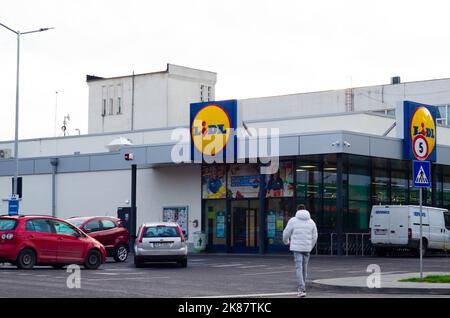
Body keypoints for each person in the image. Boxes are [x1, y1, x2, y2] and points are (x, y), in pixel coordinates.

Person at [282, 204, 318, 297]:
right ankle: (302, 287)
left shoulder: (293, 221)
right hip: (307, 249)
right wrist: (310, 246)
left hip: (297, 248)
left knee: (298, 268)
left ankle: (302, 289)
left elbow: (286, 233)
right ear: (305, 210)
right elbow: (315, 236)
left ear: (297, 210)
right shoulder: (311, 222)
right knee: (304, 268)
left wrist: (286, 242)